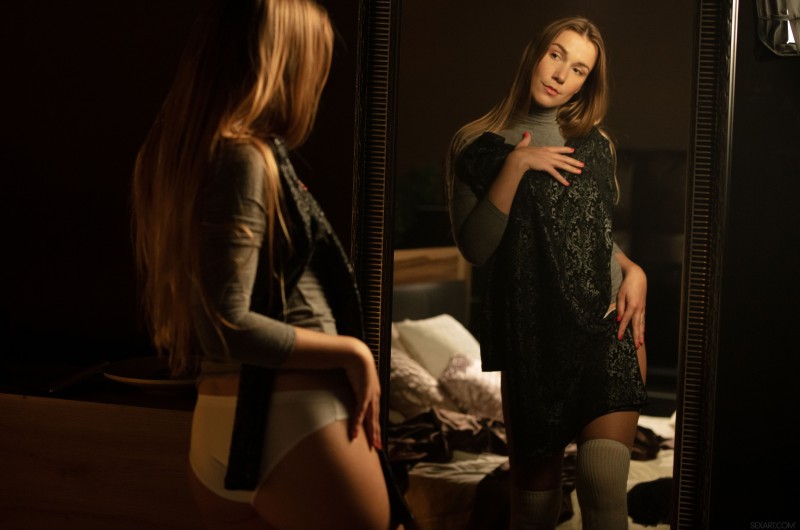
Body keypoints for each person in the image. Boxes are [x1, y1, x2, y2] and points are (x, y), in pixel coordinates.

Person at [131, 1, 397, 528]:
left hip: (223, 422)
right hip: (297, 422)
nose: (317, 83)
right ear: (283, 64)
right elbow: (226, 324)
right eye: (315, 63)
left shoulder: (186, 157)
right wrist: (352, 353)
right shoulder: (244, 156)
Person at [446, 17, 649, 530]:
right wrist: (516, 165)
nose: (561, 75)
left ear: (585, 83)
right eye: (556, 55)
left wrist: (632, 269)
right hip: (532, 343)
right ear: (534, 53)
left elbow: (590, 235)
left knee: (603, 488)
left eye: (578, 69)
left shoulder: (596, 144)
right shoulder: (474, 143)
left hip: (607, 329)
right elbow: (476, 248)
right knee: (534, 510)